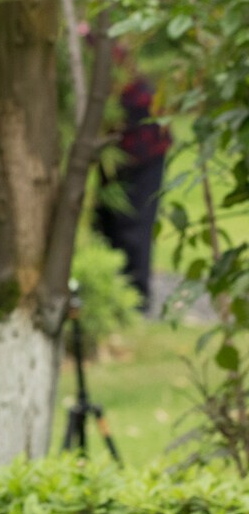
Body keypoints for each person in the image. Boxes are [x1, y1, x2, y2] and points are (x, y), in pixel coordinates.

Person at [93, 41, 172, 312]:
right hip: (114, 158)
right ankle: (116, 293)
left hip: (145, 157)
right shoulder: (92, 52)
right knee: (104, 224)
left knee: (134, 226)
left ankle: (138, 301)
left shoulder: (134, 91)